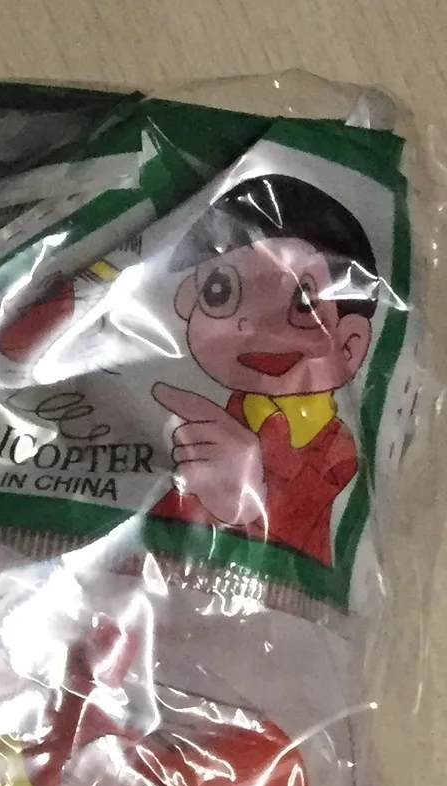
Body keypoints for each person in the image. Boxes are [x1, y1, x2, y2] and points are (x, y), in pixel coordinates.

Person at [150, 174, 380, 567]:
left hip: (284, 595)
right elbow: (157, 531)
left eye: (303, 302)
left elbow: (301, 544)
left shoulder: (337, 452)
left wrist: (246, 501)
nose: (257, 326)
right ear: (188, 302)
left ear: (350, 343)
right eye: (220, 291)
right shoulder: (226, 421)